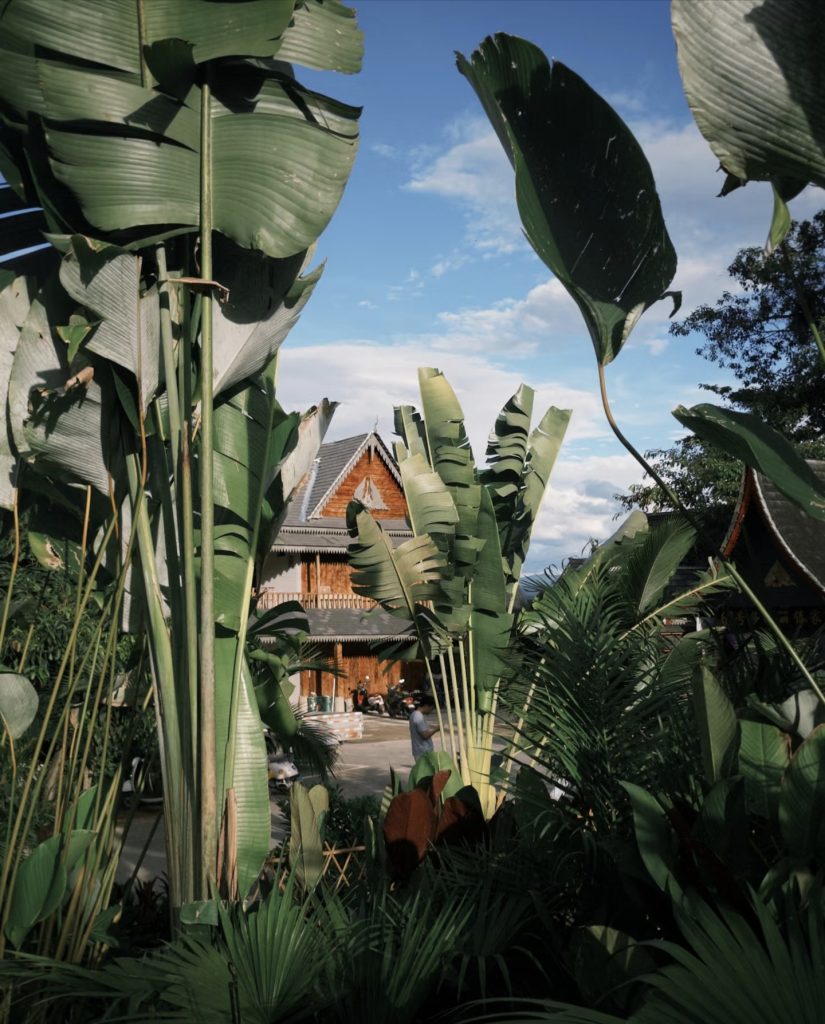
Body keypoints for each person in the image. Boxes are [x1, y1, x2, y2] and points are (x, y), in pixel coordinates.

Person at [409, 693, 439, 760]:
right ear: (426, 706)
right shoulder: (418, 716)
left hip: (420, 751)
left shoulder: (414, 714)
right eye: (431, 708)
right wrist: (436, 729)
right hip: (423, 752)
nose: (431, 711)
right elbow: (425, 735)